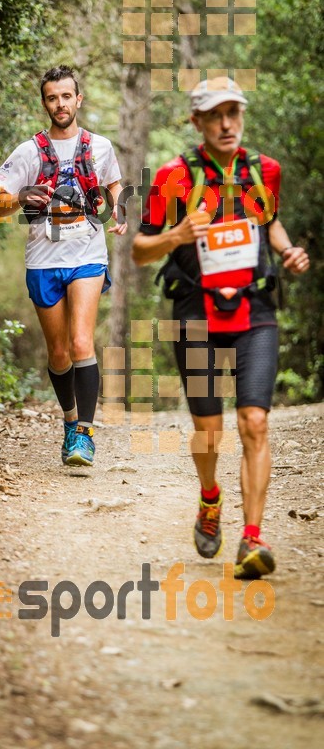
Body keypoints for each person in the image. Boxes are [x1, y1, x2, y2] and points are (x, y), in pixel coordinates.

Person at [132, 76, 310, 579]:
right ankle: (210, 498)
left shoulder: (263, 171)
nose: (227, 123)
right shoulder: (174, 177)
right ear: (198, 122)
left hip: (254, 309)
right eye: (216, 115)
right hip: (195, 310)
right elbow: (140, 250)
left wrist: (287, 251)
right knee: (208, 433)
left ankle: (252, 539)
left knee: (254, 421)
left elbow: (268, 220)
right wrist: (178, 234)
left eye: (234, 112)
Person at [0, 65, 126, 466]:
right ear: (44, 103)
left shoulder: (99, 147)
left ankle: (84, 435)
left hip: (87, 253)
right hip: (43, 258)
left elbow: (114, 183)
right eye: (52, 98)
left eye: (66, 96)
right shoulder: (28, 151)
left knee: (82, 343)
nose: (60, 104)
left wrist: (119, 207)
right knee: (58, 352)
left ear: (78, 99)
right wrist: (20, 198)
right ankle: (70, 422)